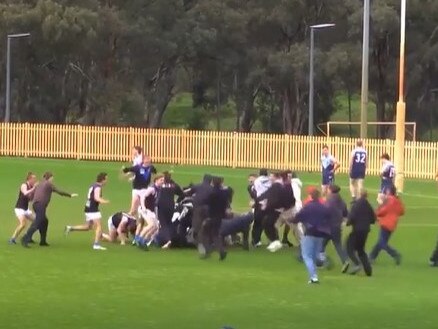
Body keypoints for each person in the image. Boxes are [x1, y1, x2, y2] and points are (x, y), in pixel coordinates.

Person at [21, 172, 77, 248]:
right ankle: (25, 239)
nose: (52, 179)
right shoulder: (48, 184)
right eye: (52, 178)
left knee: (44, 221)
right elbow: (59, 191)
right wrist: (70, 195)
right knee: (38, 222)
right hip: (40, 205)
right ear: (50, 178)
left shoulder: (39, 184)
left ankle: (42, 241)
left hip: (36, 205)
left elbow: (31, 196)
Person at [293, 189, 331, 284]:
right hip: (321, 234)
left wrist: (293, 220)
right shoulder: (323, 207)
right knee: (314, 255)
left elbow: (299, 216)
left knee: (306, 255)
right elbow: (328, 218)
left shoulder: (308, 206)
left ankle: (314, 277)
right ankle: (318, 268)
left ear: (311, 196)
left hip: (310, 232)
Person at [65, 173, 110, 250]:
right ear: (102, 180)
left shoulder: (93, 185)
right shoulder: (98, 187)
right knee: (99, 226)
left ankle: (70, 228)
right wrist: (104, 201)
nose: (107, 181)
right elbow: (96, 198)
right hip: (93, 209)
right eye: (106, 179)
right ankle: (96, 244)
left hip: (88, 207)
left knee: (88, 227)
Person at [369, 185, 404, 265]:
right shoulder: (397, 201)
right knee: (380, 242)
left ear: (389, 191)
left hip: (385, 223)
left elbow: (383, 211)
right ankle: (371, 256)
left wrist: (376, 213)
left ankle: (395, 254)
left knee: (382, 243)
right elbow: (402, 211)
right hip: (392, 224)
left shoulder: (389, 200)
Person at [345, 189, 375, 276]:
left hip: (357, 230)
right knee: (361, 250)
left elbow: (352, 216)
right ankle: (368, 271)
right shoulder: (368, 205)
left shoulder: (356, 205)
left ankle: (357, 264)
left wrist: (348, 223)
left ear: (359, 194)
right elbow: (373, 219)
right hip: (365, 231)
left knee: (349, 247)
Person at [199, 176, 229, 260]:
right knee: (215, 234)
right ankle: (221, 251)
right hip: (219, 217)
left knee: (203, 233)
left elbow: (205, 202)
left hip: (211, 216)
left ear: (213, 183)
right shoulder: (224, 193)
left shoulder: (212, 193)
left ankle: (208, 251)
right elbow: (225, 204)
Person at [321, 185, 349, 270]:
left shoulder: (328, 201)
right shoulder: (342, 201)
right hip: (337, 227)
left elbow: (324, 212)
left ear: (331, 191)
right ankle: (345, 261)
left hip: (328, 227)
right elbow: (345, 214)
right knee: (338, 245)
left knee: (320, 246)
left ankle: (326, 262)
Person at [135, 175, 165, 249]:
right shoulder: (152, 189)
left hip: (151, 210)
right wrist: (144, 207)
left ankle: (144, 240)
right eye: (161, 180)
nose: (162, 181)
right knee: (151, 224)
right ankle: (140, 240)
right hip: (145, 209)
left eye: (163, 180)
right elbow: (142, 197)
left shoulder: (159, 188)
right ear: (156, 180)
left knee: (155, 226)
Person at [258, 172, 285, 252]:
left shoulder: (277, 186)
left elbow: (271, 196)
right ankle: (274, 241)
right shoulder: (276, 186)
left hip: (276, 209)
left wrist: (266, 206)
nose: (269, 177)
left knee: (268, 223)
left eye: (271, 176)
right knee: (268, 223)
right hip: (276, 208)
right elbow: (267, 194)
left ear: (275, 177)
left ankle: (275, 241)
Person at [156, 171, 184, 249]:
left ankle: (167, 240)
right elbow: (182, 194)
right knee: (169, 223)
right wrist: (177, 201)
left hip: (161, 206)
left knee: (163, 224)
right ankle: (173, 238)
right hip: (171, 206)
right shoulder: (174, 185)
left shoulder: (160, 185)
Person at [9, 172, 38, 244]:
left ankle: (28, 236)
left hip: (26, 209)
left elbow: (30, 199)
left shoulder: (31, 187)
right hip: (19, 208)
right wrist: (34, 188)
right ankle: (12, 239)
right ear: (29, 179)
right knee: (23, 224)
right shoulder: (24, 185)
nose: (35, 180)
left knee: (37, 221)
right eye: (34, 179)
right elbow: (25, 193)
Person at [186, 174, 213, 243]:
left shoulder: (198, 186)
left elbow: (188, 192)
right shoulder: (212, 188)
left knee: (196, 223)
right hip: (208, 208)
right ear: (211, 181)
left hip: (198, 207)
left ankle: (195, 239)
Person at [276, 171, 296, 247]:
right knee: (276, 225)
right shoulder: (281, 186)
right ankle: (277, 240)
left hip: (288, 209)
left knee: (289, 224)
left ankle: (284, 238)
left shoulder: (290, 185)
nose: (290, 178)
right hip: (282, 209)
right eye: (289, 177)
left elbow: (293, 198)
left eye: (291, 177)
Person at [252, 169, 271, 247]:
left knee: (257, 223)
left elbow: (253, 189)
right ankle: (272, 240)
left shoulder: (257, 181)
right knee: (267, 223)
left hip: (259, 203)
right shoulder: (270, 180)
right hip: (268, 204)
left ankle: (256, 240)